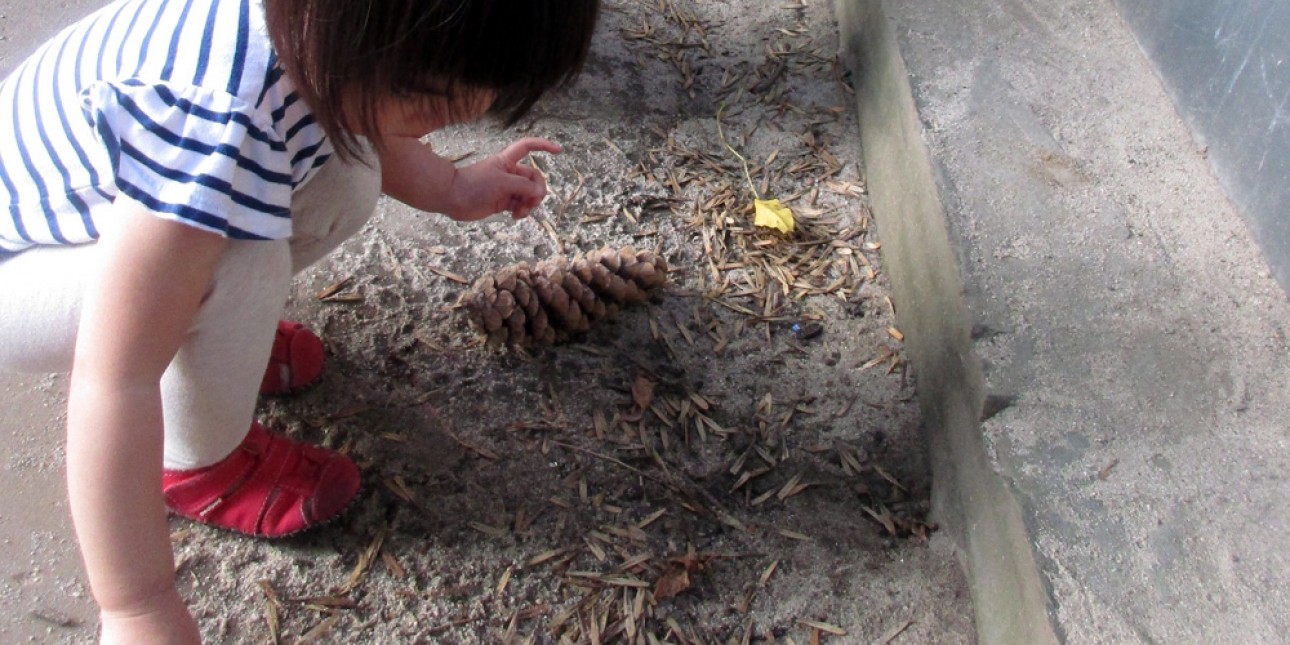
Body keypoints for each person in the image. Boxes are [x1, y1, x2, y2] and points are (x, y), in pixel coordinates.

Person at [0, 0, 599, 641]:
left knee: (348, 170)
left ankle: (211, 345)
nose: (465, 114)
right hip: (21, 270)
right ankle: (199, 463)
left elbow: (363, 125)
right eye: (427, 97)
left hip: (113, 221)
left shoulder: (309, 35)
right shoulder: (216, 124)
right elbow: (113, 377)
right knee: (235, 265)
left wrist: (453, 188)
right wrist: (135, 605)